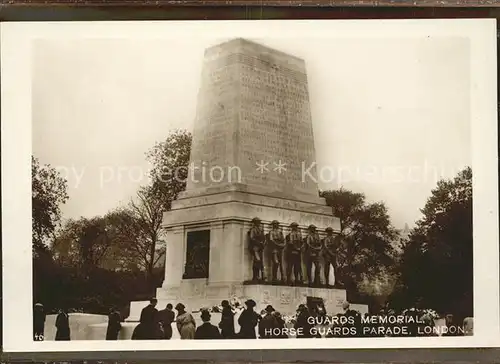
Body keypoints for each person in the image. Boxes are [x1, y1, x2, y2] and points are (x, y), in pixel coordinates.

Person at [248, 217, 266, 281]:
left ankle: (259, 276)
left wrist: (263, 243)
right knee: (257, 261)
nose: (258, 223)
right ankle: (255, 276)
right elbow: (252, 238)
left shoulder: (260, 230)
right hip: (255, 247)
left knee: (260, 262)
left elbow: (264, 238)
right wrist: (259, 242)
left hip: (260, 247)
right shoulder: (253, 230)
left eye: (259, 222)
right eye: (257, 222)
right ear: (254, 223)